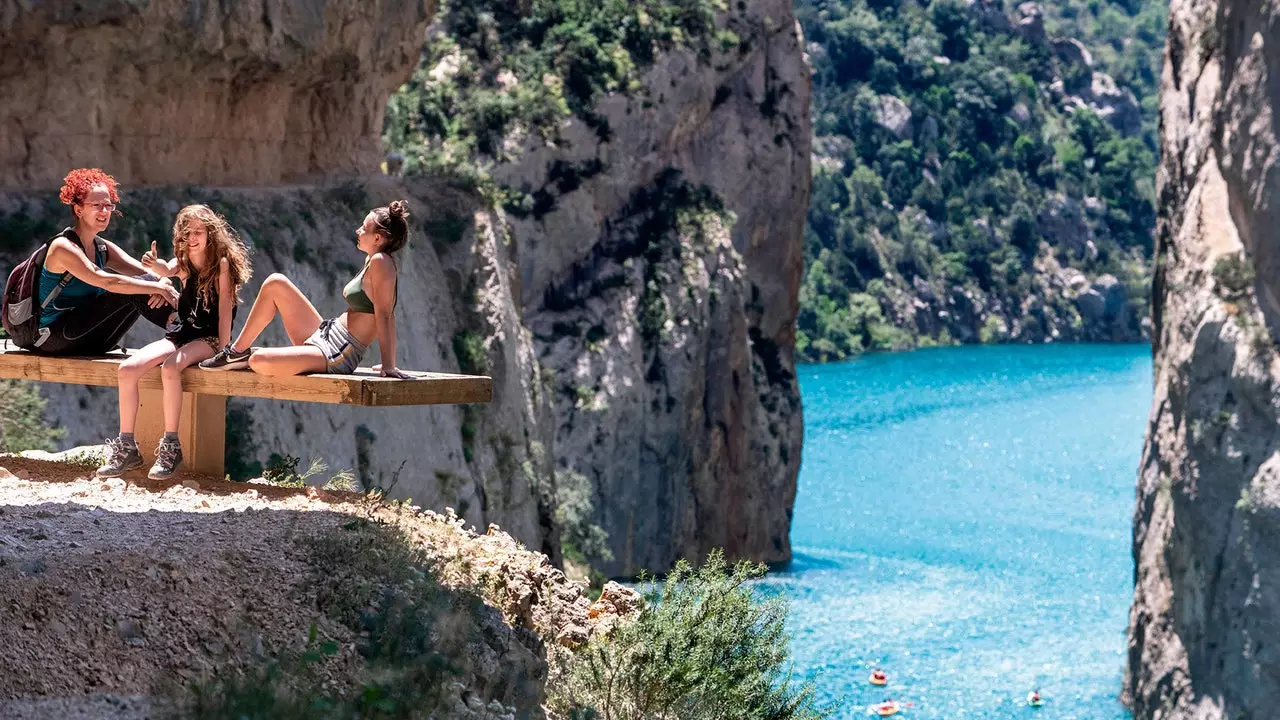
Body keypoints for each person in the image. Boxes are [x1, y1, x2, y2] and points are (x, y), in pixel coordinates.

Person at [96, 205, 252, 479]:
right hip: (184, 331)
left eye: (198, 232)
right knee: (128, 369)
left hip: (211, 337)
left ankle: (171, 444)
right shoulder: (184, 260)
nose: (192, 238)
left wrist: (225, 350)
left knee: (170, 368)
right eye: (186, 232)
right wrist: (151, 264)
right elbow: (165, 269)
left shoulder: (221, 264)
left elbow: (226, 309)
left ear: (210, 233)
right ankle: (127, 445)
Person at [200, 200, 412, 378]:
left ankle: (252, 356)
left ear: (377, 238)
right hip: (327, 333)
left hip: (339, 353)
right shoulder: (371, 260)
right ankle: (235, 353)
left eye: (364, 228)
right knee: (276, 283)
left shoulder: (381, 262)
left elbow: (385, 315)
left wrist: (388, 365)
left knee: (258, 361)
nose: (358, 231)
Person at [30, 168, 179, 355]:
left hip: (90, 336)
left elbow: (148, 274)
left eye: (108, 206)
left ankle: (189, 326)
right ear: (79, 209)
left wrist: (162, 281)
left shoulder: (102, 248)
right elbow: (106, 281)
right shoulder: (62, 247)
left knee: (143, 283)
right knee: (129, 288)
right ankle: (181, 329)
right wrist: (157, 287)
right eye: (97, 206)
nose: (105, 211)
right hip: (53, 338)